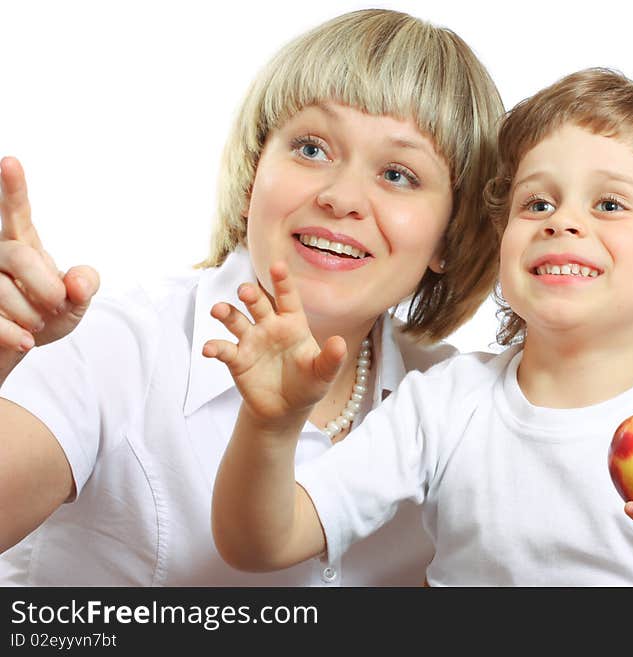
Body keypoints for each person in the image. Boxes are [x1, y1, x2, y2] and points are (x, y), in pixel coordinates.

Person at [209, 68, 633, 586]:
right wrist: (272, 425)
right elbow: (262, 541)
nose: (562, 221)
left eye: (608, 205)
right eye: (536, 203)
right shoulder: (444, 404)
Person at [0, 9, 505, 586]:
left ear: (451, 234)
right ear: (252, 177)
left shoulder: (460, 407)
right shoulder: (112, 344)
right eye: (312, 148)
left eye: (398, 174)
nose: (341, 198)